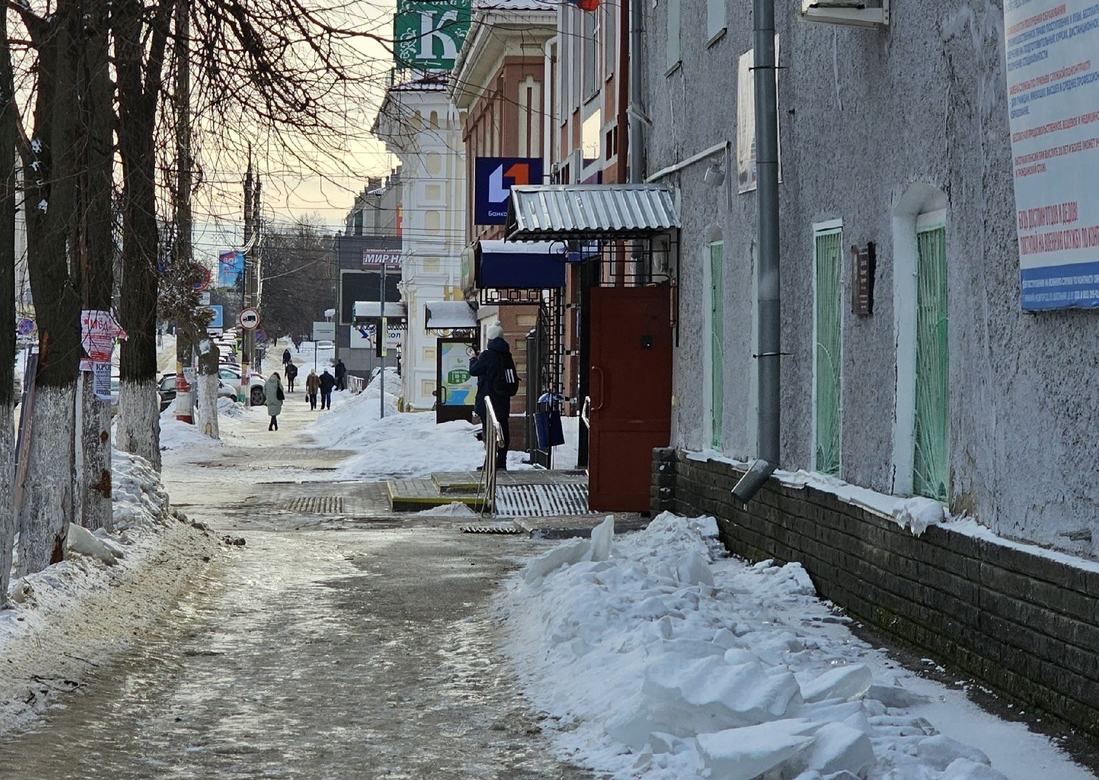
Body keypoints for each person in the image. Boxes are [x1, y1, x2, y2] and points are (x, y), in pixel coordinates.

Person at [470, 323, 518, 470]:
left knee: (489, 432)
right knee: (503, 430)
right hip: (503, 401)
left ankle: (489, 463)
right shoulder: (507, 355)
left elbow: (474, 370)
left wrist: (473, 358)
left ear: (490, 338)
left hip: (489, 402)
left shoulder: (487, 355)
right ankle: (502, 462)